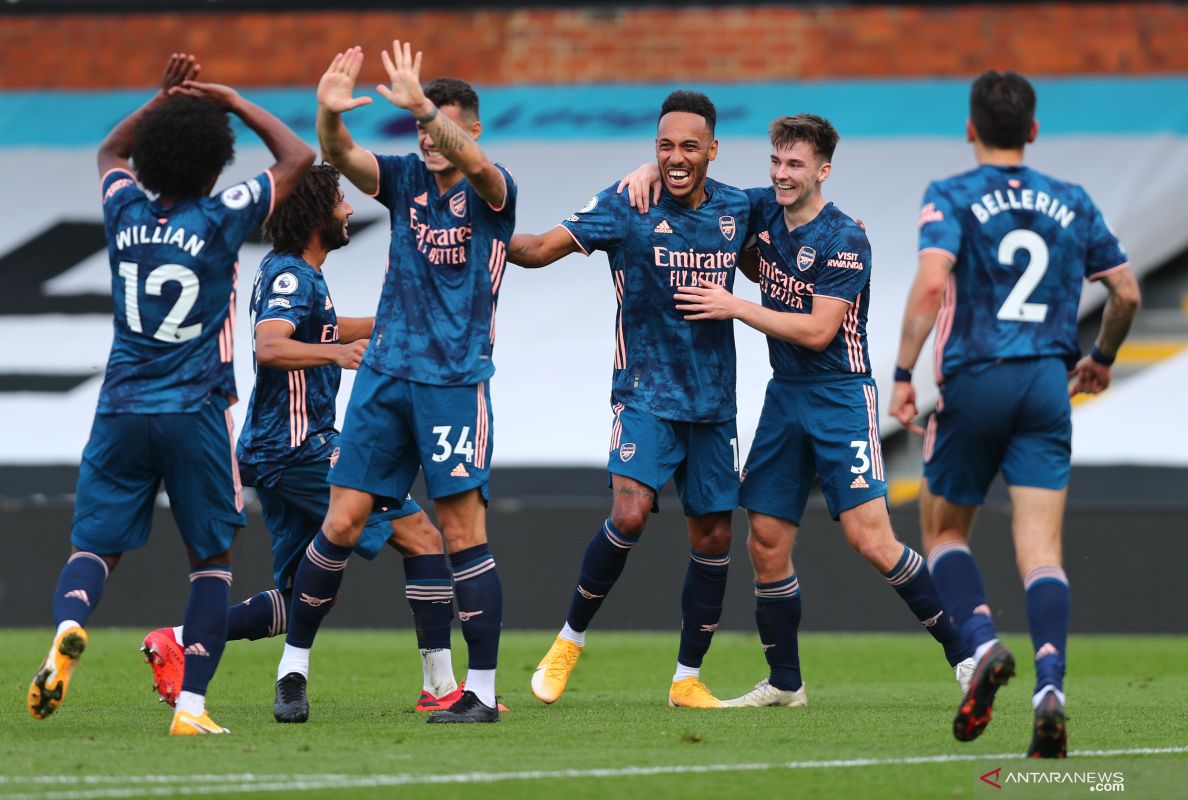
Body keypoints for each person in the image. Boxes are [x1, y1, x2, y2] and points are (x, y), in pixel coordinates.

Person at [626, 113, 974, 708]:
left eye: (795, 165)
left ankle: (967, 656)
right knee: (764, 538)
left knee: (871, 539)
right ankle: (786, 683)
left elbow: (817, 330)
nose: (782, 175)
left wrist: (735, 305)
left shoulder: (845, 237)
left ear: (822, 170)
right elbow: (695, 181)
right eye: (776, 162)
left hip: (840, 395)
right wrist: (647, 169)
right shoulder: (761, 209)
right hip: (784, 396)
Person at [27, 53, 313, 735]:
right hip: (195, 414)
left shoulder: (123, 208)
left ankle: (69, 627)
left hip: (121, 406)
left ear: (150, 160)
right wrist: (231, 98)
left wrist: (163, 100)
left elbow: (108, 148)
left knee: (95, 547)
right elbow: (297, 156)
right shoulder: (222, 216)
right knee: (210, 561)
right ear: (214, 164)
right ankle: (191, 708)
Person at [139, 164, 463, 724]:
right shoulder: (291, 278)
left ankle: (178, 639)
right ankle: (440, 686)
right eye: (339, 199)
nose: (348, 209)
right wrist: (337, 356)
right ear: (316, 211)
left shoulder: (298, 274)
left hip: (280, 453)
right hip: (300, 450)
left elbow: (329, 329)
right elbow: (270, 346)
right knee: (422, 535)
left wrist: (398, 320)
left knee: (306, 595)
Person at [889, 71, 1141, 758]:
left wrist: (905, 372)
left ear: (971, 128)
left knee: (942, 530)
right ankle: (1049, 688)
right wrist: (1102, 356)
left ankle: (983, 642)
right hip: (1045, 384)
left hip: (977, 378)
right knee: (1042, 551)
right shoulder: (1072, 199)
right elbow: (1125, 292)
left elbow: (933, 282)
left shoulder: (951, 194)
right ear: (1032, 130)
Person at [282, 43, 517, 724]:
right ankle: (292, 669)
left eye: (439, 126)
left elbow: (475, 165)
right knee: (343, 519)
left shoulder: (492, 187)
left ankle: (479, 690)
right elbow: (345, 156)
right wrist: (327, 117)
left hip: (452, 382)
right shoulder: (406, 177)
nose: (427, 139)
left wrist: (422, 105)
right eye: (419, 128)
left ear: (471, 130)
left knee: (460, 529)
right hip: (385, 374)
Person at [508, 90, 749, 709]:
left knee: (716, 537)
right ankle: (568, 642)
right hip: (644, 394)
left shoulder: (738, 209)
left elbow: (793, 206)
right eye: (664, 146)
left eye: (689, 146)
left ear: (712, 151)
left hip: (714, 404)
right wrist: (479, 225)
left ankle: (687, 678)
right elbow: (536, 251)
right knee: (630, 513)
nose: (675, 156)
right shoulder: (627, 201)